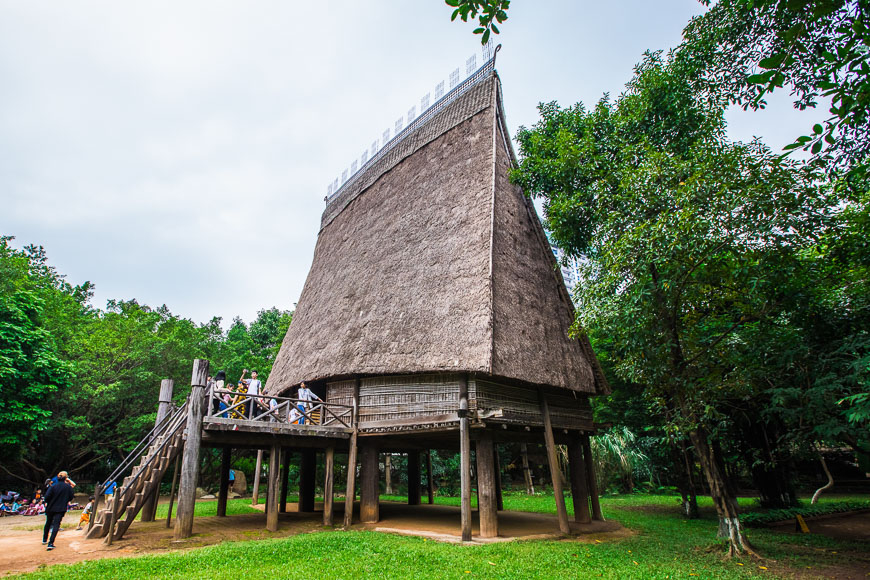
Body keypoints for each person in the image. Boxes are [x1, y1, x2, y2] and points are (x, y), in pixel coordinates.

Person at [43, 471, 75, 551]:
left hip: (51, 507)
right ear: (66, 478)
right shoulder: (68, 487)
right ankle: (51, 543)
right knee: (56, 525)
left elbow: (46, 497)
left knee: (48, 522)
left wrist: (50, 501)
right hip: (61, 508)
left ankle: (44, 539)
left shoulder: (53, 486)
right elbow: (71, 497)